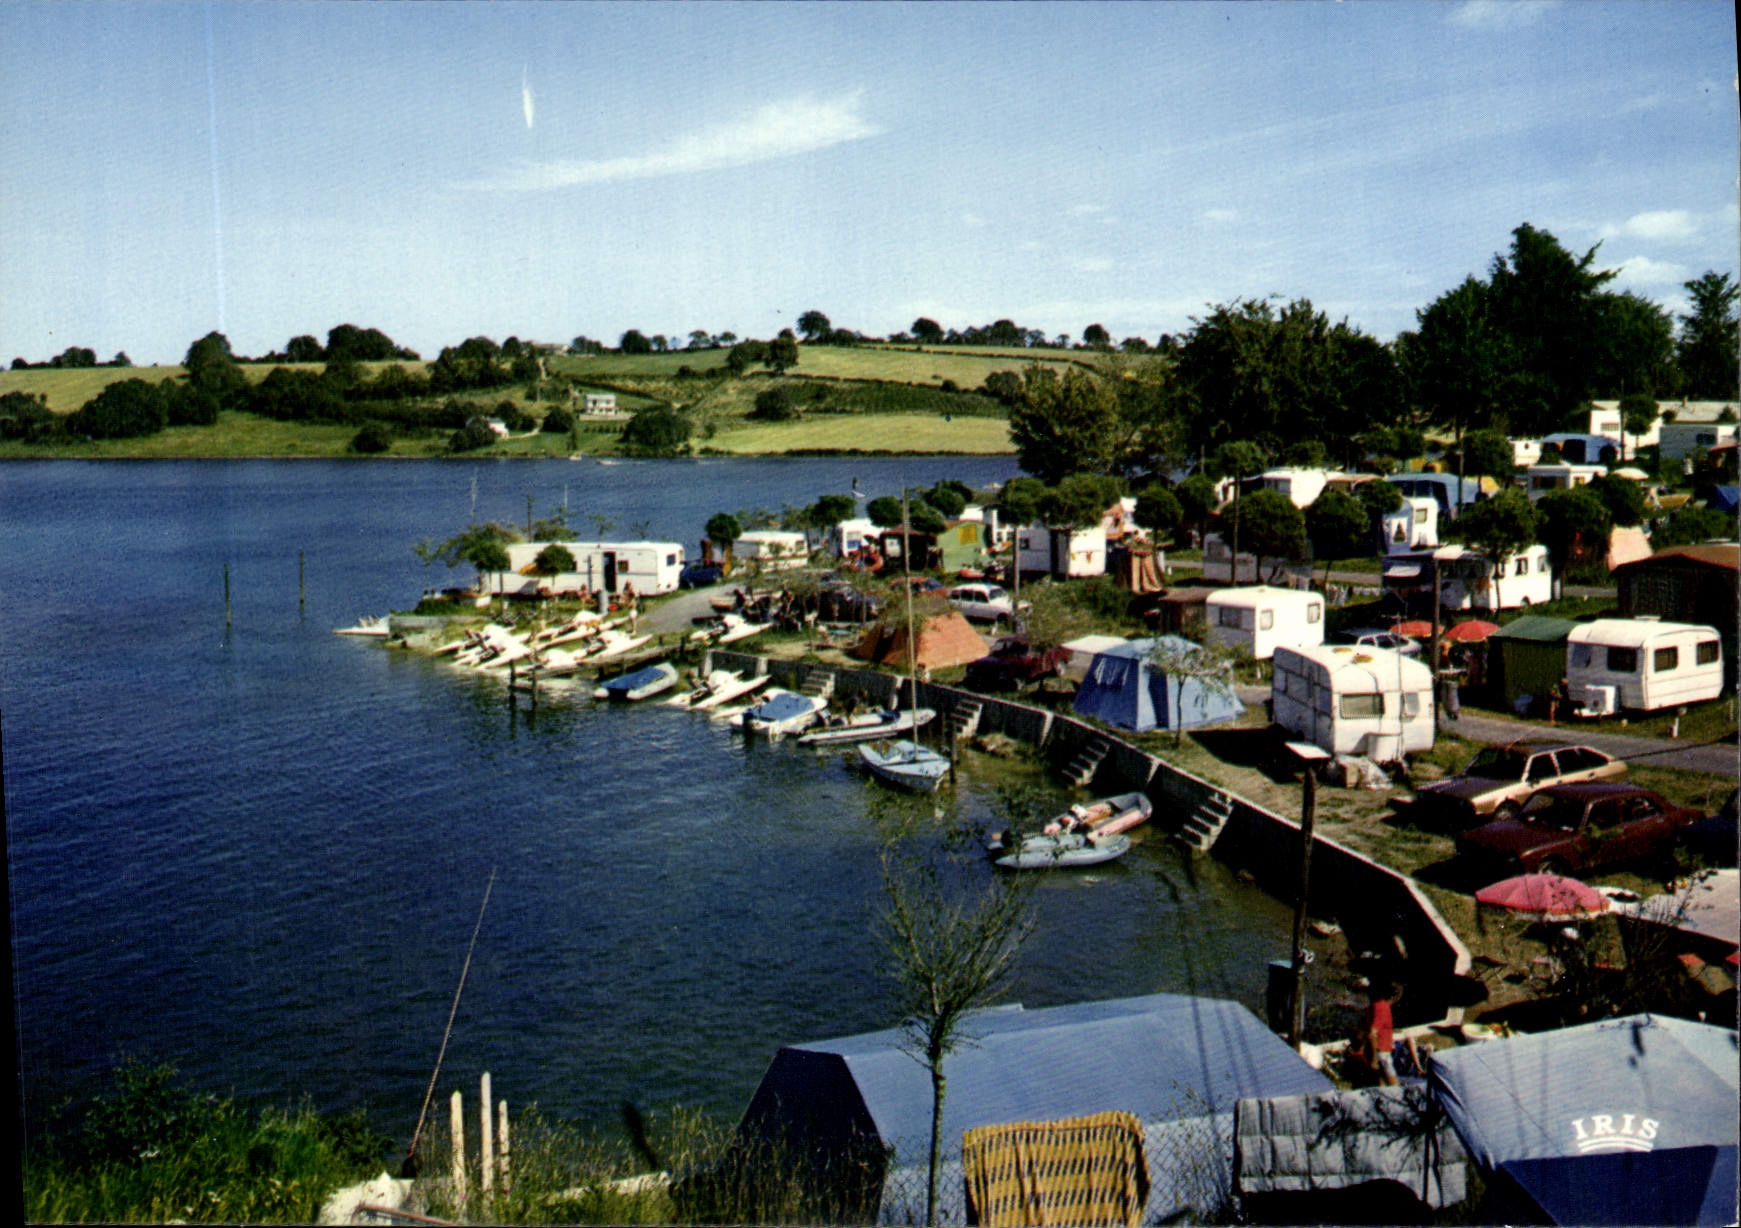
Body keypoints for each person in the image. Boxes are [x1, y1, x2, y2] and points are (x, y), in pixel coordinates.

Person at [1359, 982, 1402, 1086]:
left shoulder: (1375, 1006)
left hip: (1378, 1050)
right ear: (1395, 996)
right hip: (1380, 1051)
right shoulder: (1382, 1008)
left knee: (1380, 1084)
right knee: (1394, 1085)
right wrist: (1374, 1058)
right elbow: (1372, 1033)